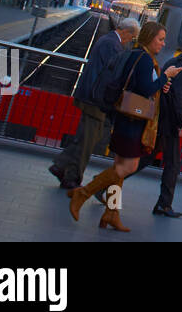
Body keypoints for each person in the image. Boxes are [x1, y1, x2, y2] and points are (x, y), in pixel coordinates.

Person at [67, 21, 182, 232]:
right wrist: (167, 76)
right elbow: (145, 88)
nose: (163, 43)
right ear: (149, 38)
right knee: (126, 167)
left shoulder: (133, 54)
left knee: (119, 168)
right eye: (160, 39)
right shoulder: (145, 61)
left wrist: (161, 81)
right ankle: (82, 193)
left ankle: (111, 214)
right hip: (134, 120)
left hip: (122, 117)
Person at [49, 16, 138, 188]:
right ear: (126, 31)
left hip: (92, 96)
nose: (130, 41)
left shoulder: (109, 41)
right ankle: (70, 176)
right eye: (131, 37)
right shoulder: (112, 45)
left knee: (87, 137)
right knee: (87, 140)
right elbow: (112, 74)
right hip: (95, 99)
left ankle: (62, 168)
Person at [146, 34, 182, 218]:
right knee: (172, 164)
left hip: (166, 120)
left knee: (146, 159)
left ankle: (163, 204)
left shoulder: (175, 61)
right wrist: (181, 121)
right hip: (170, 123)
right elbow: (178, 97)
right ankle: (164, 205)